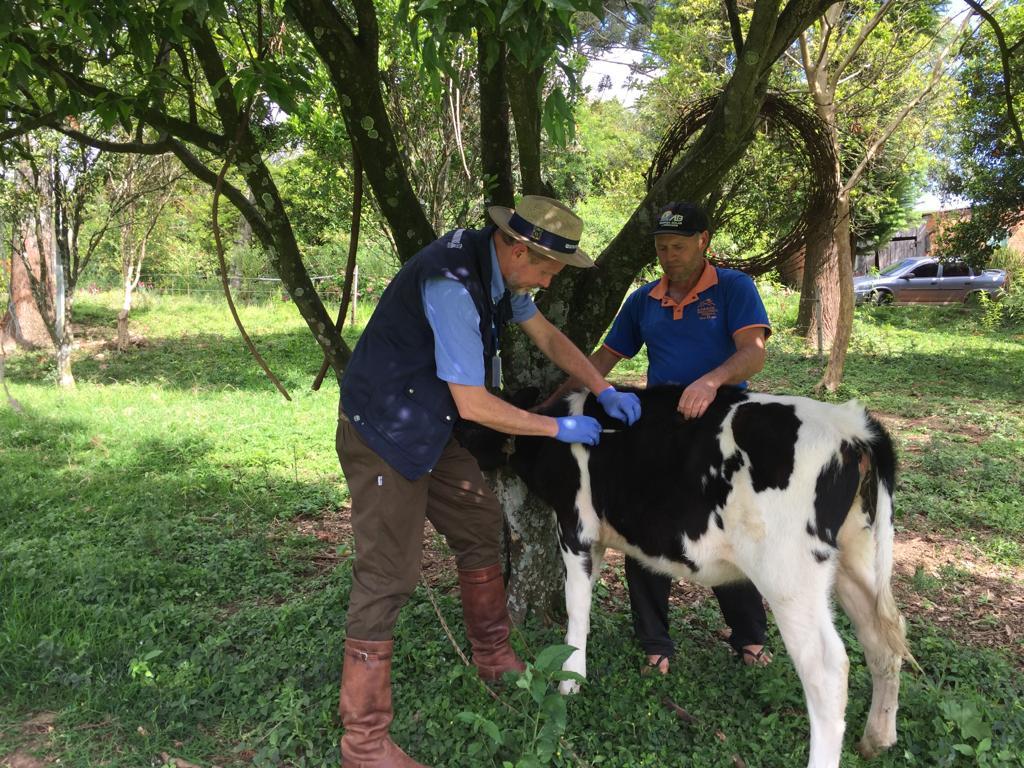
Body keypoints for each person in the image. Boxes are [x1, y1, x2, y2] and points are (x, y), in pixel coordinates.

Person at [336, 195, 641, 767]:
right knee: (388, 575)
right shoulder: (453, 284)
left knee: (479, 524)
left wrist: (601, 387)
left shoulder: (497, 272)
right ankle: (364, 744)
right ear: (519, 248)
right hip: (384, 430)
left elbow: (547, 336)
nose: (550, 282)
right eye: (548, 268)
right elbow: (474, 404)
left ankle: (494, 657)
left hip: (429, 424)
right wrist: (556, 425)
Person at [545, 201, 772, 675]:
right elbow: (604, 358)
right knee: (640, 523)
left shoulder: (734, 288)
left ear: (704, 241)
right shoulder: (643, 300)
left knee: (731, 529)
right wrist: (554, 403)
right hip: (661, 428)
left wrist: (711, 381)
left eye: (679, 245)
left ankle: (749, 637)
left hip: (724, 428)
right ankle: (656, 643)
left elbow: (753, 352)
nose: (669, 255)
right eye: (662, 247)